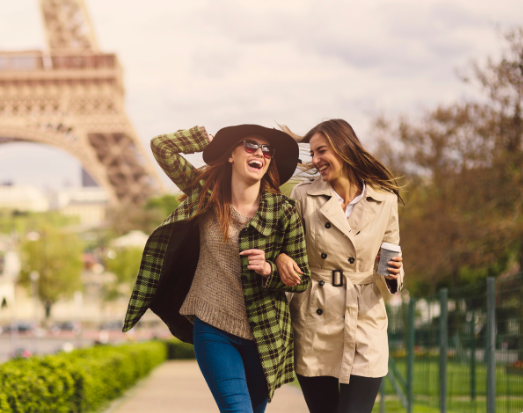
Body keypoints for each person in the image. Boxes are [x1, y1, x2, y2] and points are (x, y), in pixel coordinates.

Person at [123, 125, 310, 413]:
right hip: (213, 328)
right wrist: (202, 141)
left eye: (266, 150)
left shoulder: (283, 211)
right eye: (250, 146)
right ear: (231, 155)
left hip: (266, 333)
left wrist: (271, 269)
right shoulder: (206, 194)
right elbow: (161, 146)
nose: (260, 152)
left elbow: (302, 279)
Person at [275, 119, 404, 413]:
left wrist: (394, 272)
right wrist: (282, 258)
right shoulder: (303, 196)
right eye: (313, 154)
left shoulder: (385, 200)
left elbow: (392, 257)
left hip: (365, 320)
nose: (316, 160)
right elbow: (284, 246)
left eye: (322, 151)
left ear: (344, 147)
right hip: (315, 318)